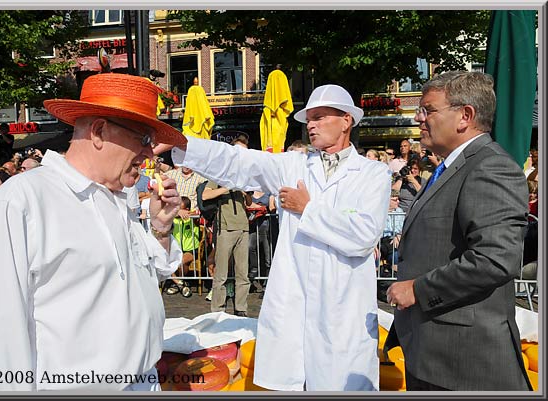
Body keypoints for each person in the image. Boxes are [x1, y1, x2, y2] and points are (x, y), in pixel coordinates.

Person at [0, 73, 187, 391]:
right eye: (144, 139)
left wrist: (161, 228)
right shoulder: (21, 203)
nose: (151, 155)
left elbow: (143, 279)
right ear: (99, 131)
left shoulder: (118, 198)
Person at [160, 83, 391, 390]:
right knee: (290, 385)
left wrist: (306, 209)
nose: (311, 124)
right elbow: (239, 161)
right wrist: (184, 144)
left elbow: (363, 235)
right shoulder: (292, 165)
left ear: (346, 121)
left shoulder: (373, 175)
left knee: (340, 386)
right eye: (309, 118)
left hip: (342, 307)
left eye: (321, 117)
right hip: (293, 301)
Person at [385, 71, 532, 391]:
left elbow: (495, 259)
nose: (418, 118)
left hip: (465, 363)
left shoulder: (490, 166)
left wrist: (418, 289)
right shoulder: (448, 167)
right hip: (434, 354)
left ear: (465, 116)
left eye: (428, 109)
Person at [202, 137, 252, 317]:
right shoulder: (220, 173)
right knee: (221, 273)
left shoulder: (244, 173)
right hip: (225, 226)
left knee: (242, 273)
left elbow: (248, 202)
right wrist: (228, 188)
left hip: (243, 227)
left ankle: (241, 309)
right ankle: (218, 310)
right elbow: (206, 195)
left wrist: (246, 193)